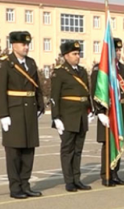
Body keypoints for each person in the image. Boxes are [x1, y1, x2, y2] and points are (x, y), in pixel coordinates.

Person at [0, 31, 45, 199]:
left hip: (29, 111)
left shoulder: (31, 63)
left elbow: (36, 85)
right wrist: (3, 115)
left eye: (27, 44)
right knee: (14, 152)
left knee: (29, 150)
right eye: (23, 44)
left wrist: (40, 105)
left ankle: (25, 184)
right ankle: (15, 188)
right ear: (13, 45)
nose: (26, 47)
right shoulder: (5, 63)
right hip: (14, 111)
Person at [50, 41, 93, 192]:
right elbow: (54, 96)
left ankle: (77, 178)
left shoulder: (82, 71)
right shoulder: (60, 72)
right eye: (74, 54)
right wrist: (56, 118)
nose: (77, 56)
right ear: (66, 55)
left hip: (81, 116)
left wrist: (90, 110)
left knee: (78, 150)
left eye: (78, 53)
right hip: (67, 116)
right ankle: (69, 181)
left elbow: (87, 92)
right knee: (67, 150)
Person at [91, 38, 124, 187]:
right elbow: (95, 91)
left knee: (119, 143)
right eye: (116, 51)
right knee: (108, 144)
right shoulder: (100, 69)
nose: (119, 53)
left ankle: (115, 173)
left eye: (120, 50)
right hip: (108, 111)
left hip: (120, 111)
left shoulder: (122, 68)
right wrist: (99, 111)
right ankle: (106, 175)